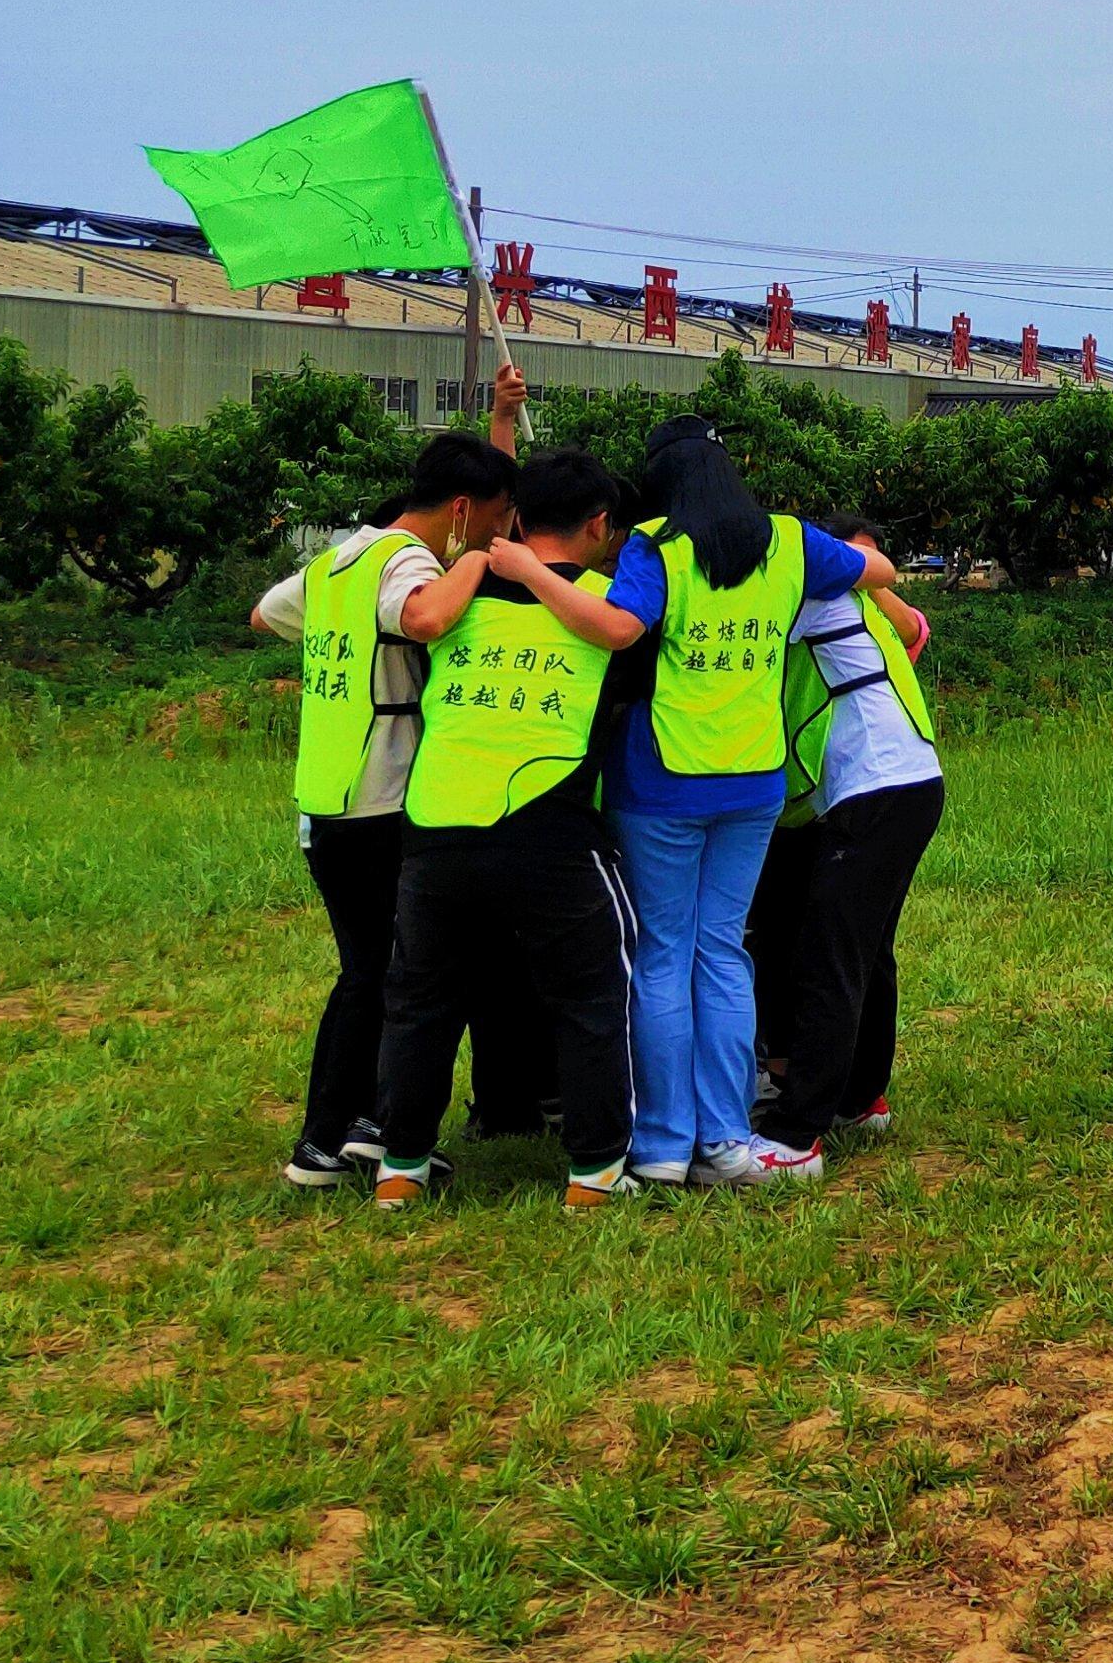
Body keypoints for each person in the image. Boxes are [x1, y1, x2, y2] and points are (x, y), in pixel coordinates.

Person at [601, 419, 903, 1191]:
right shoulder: (791, 541)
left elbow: (624, 625)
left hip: (662, 779)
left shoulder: (654, 546)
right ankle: (731, 1139)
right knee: (724, 951)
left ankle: (667, 1145)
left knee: (666, 953)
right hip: (755, 780)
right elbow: (877, 569)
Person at [367, 449, 650, 1208]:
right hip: (550, 829)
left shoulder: (458, 592)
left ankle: (401, 1168)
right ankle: (593, 1174)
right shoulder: (605, 602)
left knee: (422, 1001)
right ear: (599, 525)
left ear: (518, 515)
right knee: (594, 995)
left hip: (434, 824)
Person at [247, 431, 518, 1188]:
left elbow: (265, 615)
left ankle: (362, 1125)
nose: (501, 536)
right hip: (385, 797)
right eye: (496, 520)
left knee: (376, 969)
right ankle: (326, 1141)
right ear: (462, 511)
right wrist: (470, 564)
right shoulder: (408, 562)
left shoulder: (342, 558)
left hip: (329, 795)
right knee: (386, 974)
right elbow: (426, 619)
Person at [752, 521, 943, 1156]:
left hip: (875, 788)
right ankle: (861, 1100)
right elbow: (914, 627)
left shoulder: (807, 599)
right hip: (910, 781)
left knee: (828, 954)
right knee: (865, 949)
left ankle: (798, 1129)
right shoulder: (861, 599)